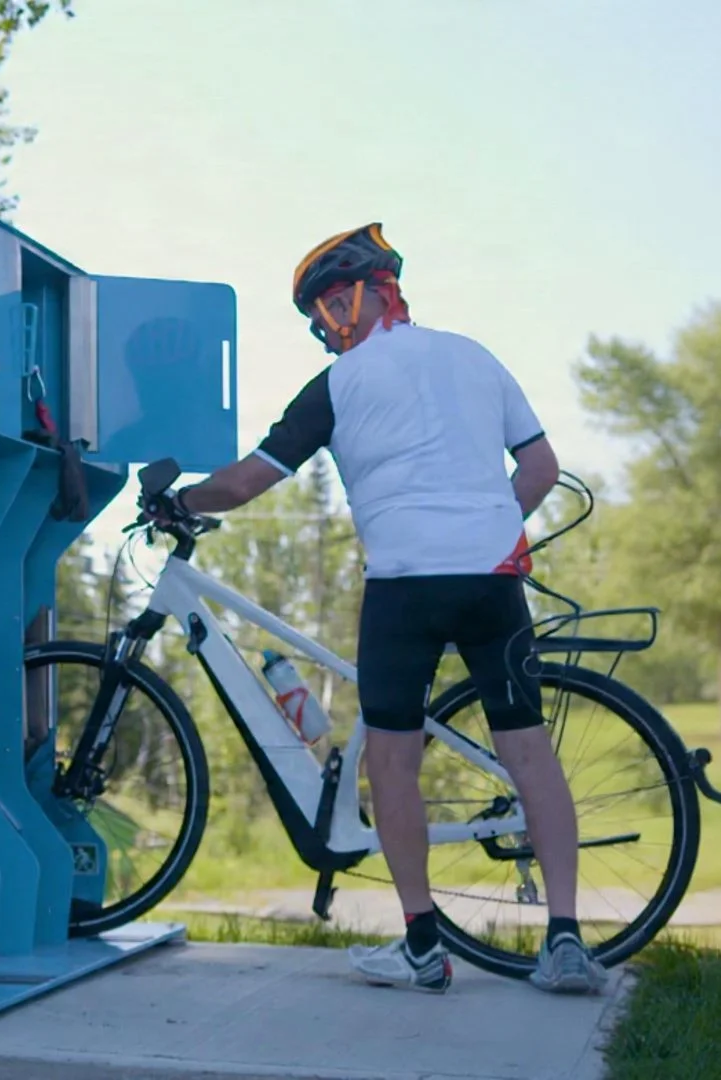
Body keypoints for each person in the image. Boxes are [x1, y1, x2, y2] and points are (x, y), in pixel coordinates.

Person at [155, 223, 606, 995]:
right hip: (492, 580)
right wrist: (492, 528)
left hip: (404, 587)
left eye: (329, 310)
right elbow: (540, 468)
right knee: (529, 753)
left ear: (364, 298)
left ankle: (423, 946)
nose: (325, 328)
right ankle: (565, 943)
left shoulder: (336, 386)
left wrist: (178, 502)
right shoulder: (476, 356)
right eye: (319, 317)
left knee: (393, 762)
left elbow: (242, 484)